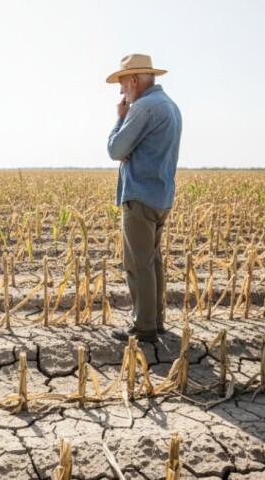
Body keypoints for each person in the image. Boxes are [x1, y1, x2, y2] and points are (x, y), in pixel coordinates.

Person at [105, 53, 182, 343]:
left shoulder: (143, 108)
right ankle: (156, 321)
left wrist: (120, 120)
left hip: (139, 196)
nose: (121, 91)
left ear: (135, 79)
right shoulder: (170, 106)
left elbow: (115, 150)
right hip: (161, 195)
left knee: (138, 264)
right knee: (153, 262)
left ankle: (143, 328)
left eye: (123, 83)